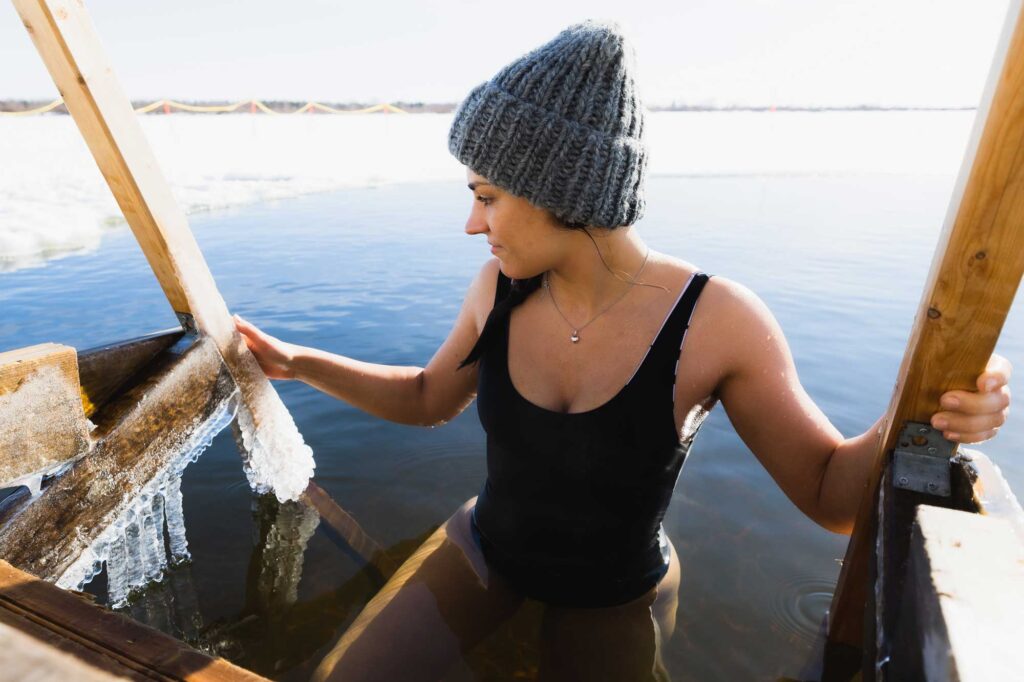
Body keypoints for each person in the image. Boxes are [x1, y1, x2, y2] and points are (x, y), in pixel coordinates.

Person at [234, 21, 1013, 682]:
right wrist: (297, 362)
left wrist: (933, 404)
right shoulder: (496, 289)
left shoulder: (717, 321)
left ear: (559, 191)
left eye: (485, 196)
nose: (473, 224)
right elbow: (426, 397)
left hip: (615, 589)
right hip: (485, 545)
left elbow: (831, 496)